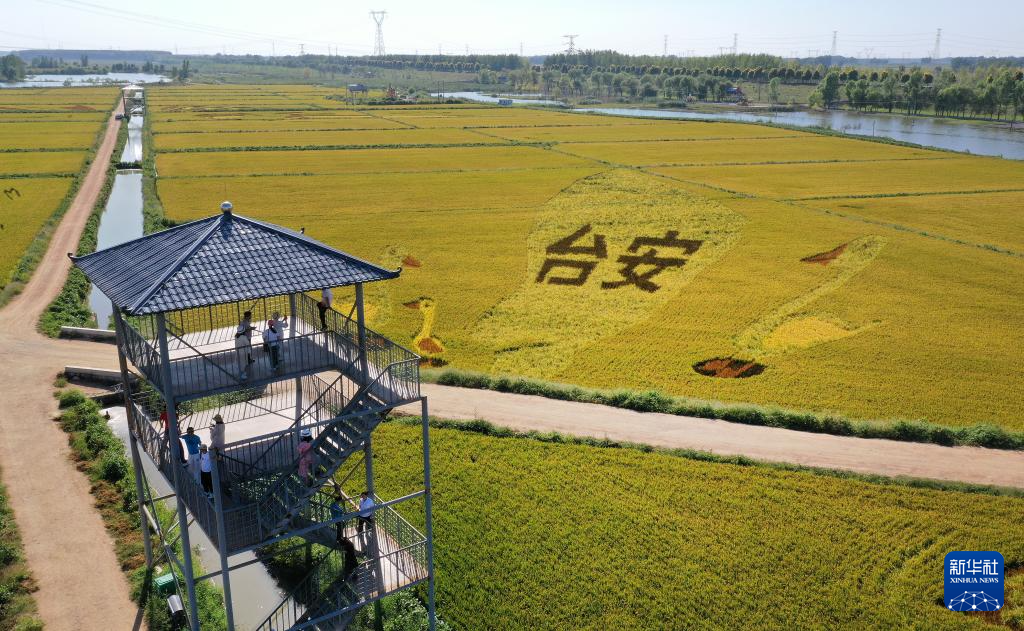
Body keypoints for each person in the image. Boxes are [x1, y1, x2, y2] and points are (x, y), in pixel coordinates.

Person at [235, 311, 256, 380]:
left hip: (248, 337)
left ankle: (249, 359)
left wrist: (250, 327)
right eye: (250, 316)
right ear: (247, 316)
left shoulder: (246, 321)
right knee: (243, 360)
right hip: (246, 338)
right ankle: (247, 362)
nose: (251, 317)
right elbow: (245, 329)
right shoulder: (243, 323)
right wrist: (251, 329)